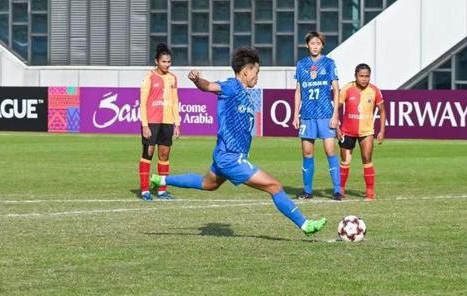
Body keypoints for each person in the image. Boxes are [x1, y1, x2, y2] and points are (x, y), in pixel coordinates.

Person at [151, 48, 327, 236]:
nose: (257, 77)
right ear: (245, 72)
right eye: (256, 72)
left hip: (225, 154)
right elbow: (209, 86)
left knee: (208, 184)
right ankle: (305, 225)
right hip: (231, 157)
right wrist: (196, 80)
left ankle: (161, 179)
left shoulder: (245, 93)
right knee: (274, 186)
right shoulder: (232, 86)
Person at [292, 31, 342, 200]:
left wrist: (335, 115)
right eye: (312, 43)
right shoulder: (301, 65)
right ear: (307, 45)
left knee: (330, 150)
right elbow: (298, 91)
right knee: (307, 153)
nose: (315, 46)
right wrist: (295, 115)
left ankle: (337, 191)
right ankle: (307, 191)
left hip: (325, 114)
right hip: (307, 115)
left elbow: (336, 90)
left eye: (318, 43)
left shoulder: (329, 63)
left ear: (322, 46)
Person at [336, 63, 386, 200]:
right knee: (345, 161)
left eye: (367, 76)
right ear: (355, 76)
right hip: (347, 132)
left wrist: (382, 131)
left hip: (366, 132)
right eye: (361, 76)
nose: (364, 79)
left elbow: (382, 110)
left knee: (367, 159)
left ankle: (369, 192)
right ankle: (340, 190)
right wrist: (337, 128)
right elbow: (335, 109)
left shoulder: (374, 90)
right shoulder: (347, 88)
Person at [138, 43, 180, 201]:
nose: (167, 64)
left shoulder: (172, 78)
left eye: (169, 62)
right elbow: (142, 102)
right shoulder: (149, 77)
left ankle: (162, 190)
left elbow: (175, 102)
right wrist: (145, 125)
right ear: (156, 61)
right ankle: (144, 190)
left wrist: (177, 123)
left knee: (164, 154)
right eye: (164, 61)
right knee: (147, 153)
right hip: (151, 122)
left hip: (167, 122)